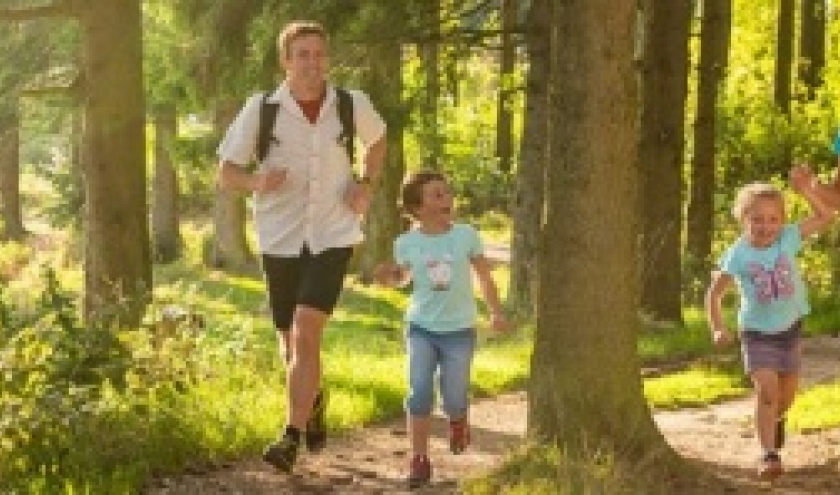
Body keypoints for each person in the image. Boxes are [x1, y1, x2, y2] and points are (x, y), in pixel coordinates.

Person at [216, 20, 387, 473]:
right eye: (303, 54)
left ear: (327, 58)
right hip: (280, 235)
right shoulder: (262, 110)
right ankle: (313, 401)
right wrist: (257, 182)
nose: (313, 63)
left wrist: (366, 184)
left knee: (306, 327)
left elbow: (378, 140)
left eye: (319, 53)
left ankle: (289, 436)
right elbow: (226, 171)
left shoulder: (350, 104)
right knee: (289, 340)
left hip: (333, 233)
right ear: (286, 61)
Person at [373, 171, 509, 488]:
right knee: (419, 391)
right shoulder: (406, 242)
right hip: (421, 327)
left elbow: (485, 277)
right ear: (417, 208)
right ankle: (419, 459)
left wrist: (496, 312)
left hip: (460, 330)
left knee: (454, 396)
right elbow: (403, 277)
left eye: (447, 192)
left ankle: (458, 419)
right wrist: (390, 277)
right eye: (437, 194)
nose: (447, 198)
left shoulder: (466, 236)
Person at [705, 167, 835, 481]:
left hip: (790, 329)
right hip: (756, 333)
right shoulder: (738, 254)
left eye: (773, 219)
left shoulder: (788, 237)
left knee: (785, 396)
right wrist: (718, 327)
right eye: (757, 220)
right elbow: (714, 294)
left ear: (782, 220)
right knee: (767, 391)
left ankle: (775, 421)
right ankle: (768, 454)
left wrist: (806, 191)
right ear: (743, 220)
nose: (766, 226)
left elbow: (826, 216)